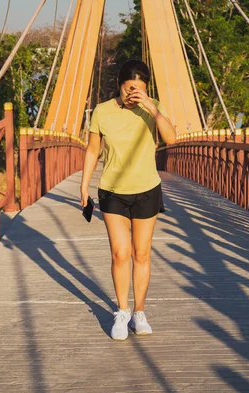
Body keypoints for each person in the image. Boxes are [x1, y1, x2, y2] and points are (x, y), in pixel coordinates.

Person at [80, 59, 177, 340]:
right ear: (119, 86)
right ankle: (122, 312)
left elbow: (171, 139)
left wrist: (152, 107)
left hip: (147, 189)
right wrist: (84, 186)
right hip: (112, 191)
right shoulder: (102, 111)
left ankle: (139, 313)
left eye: (140, 88)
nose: (133, 93)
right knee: (120, 254)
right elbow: (92, 150)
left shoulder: (152, 108)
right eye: (129, 88)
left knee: (142, 253)